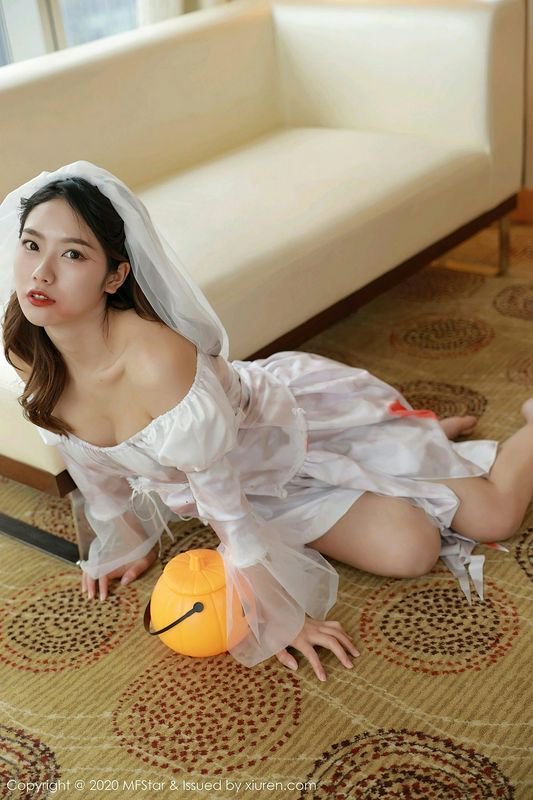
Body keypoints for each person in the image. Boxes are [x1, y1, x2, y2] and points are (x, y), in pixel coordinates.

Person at [1, 162, 531, 683]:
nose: (41, 273)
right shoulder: (25, 344)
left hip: (293, 437)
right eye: (31, 244)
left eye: (72, 253)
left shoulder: (155, 360)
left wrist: (282, 618)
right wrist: (127, 539)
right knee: (412, 549)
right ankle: (413, 442)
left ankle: (425, 434)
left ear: (115, 276)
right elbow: (83, 455)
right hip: (246, 489)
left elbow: (226, 511)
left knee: (493, 518)